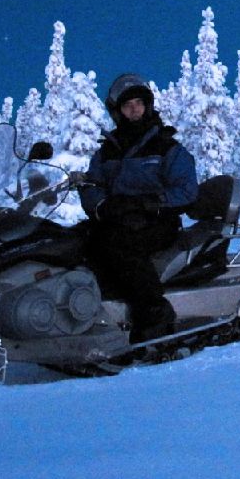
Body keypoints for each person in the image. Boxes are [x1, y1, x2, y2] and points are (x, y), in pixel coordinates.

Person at [80, 73, 199, 344]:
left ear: (147, 106)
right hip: (116, 219)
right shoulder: (109, 150)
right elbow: (92, 184)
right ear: (118, 111)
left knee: (119, 246)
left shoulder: (166, 146)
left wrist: (146, 203)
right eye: (127, 104)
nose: (134, 108)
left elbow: (187, 190)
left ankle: (154, 315)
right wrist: (102, 205)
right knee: (78, 241)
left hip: (158, 221)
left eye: (138, 103)